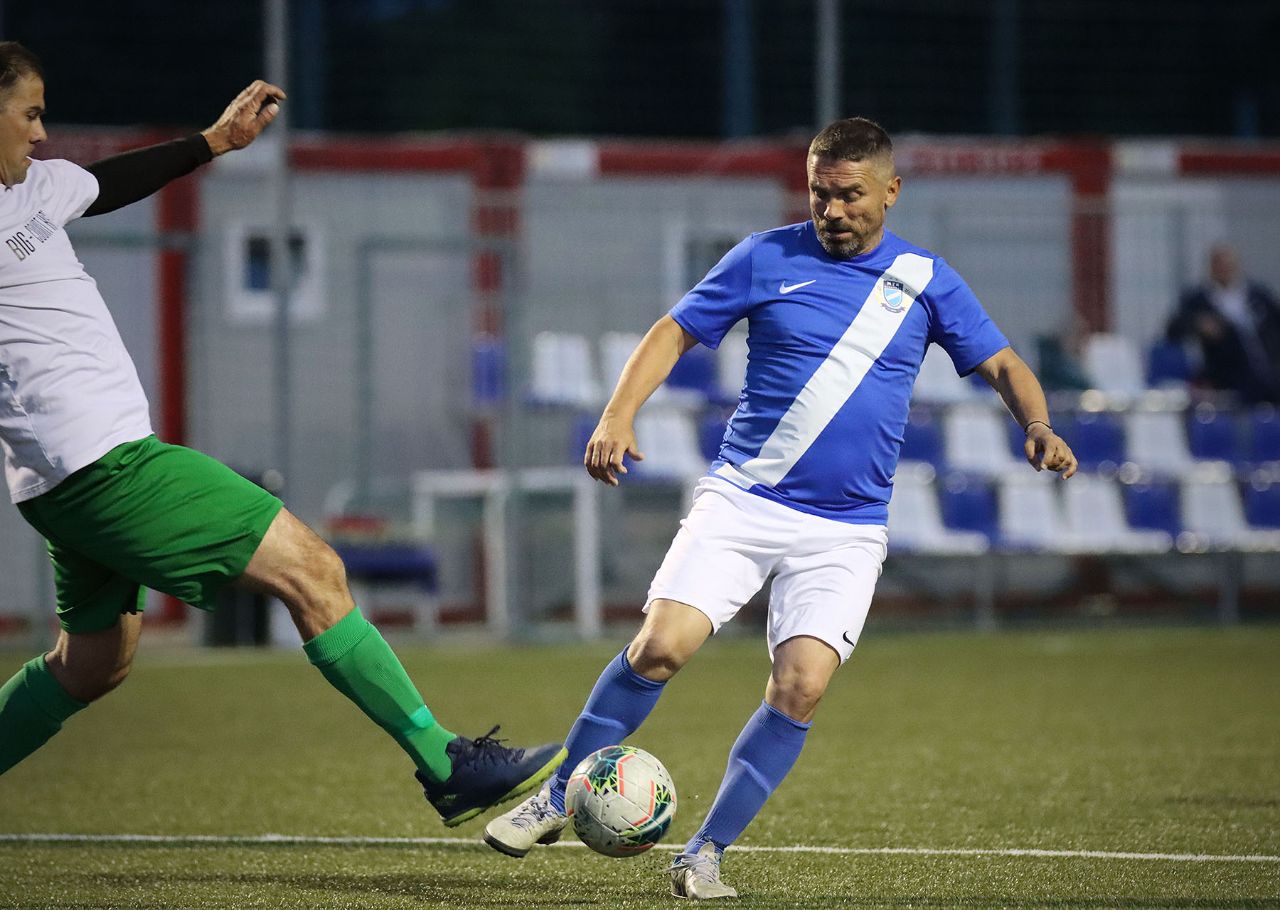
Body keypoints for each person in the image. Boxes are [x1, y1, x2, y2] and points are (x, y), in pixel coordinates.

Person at [483, 117, 1077, 899]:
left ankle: (704, 854)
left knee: (801, 686)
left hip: (846, 530)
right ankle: (559, 795)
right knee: (661, 647)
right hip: (744, 501)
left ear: (891, 192)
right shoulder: (765, 256)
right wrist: (617, 415)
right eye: (819, 194)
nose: (832, 210)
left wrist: (1037, 424)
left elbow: (1003, 364)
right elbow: (672, 333)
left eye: (850, 195)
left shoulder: (927, 280)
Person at [0, 41, 565, 826]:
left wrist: (215, 141)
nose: (40, 132)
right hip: (105, 469)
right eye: (29, 114)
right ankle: (447, 763)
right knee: (314, 570)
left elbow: (109, 182)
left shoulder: (38, 187)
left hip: (69, 480)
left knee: (91, 664)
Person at [1165, 244, 1280, 403]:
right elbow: (1173, 329)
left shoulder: (1259, 296)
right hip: (1224, 375)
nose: (1225, 269)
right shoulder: (1198, 300)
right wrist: (1198, 324)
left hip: (1268, 372)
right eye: (1220, 265)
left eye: (1229, 265)